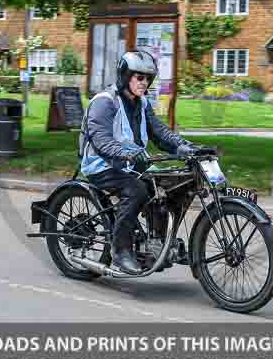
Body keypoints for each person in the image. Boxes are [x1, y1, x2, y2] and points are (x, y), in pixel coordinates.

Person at [79, 50, 198, 274]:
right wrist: (126, 154)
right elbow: (101, 140)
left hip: (132, 163)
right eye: (139, 77)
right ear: (125, 76)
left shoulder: (142, 104)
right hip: (103, 164)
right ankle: (120, 251)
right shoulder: (105, 102)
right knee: (136, 190)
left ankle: (159, 243)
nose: (144, 83)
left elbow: (159, 131)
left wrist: (183, 146)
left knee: (172, 185)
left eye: (148, 78)